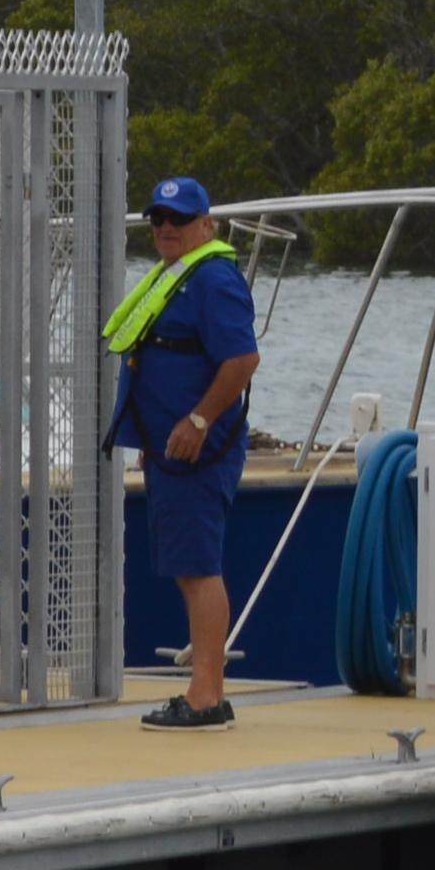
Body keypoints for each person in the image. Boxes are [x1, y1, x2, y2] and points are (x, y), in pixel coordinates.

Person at [102, 176, 262, 726]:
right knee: (187, 566)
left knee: (198, 566)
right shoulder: (178, 276)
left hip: (199, 450)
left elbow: (241, 361)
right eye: (159, 220)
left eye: (179, 219)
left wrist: (197, 422)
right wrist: (155, 435)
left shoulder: (214, 279)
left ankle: (206, 696)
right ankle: (206, 690)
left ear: (207, 225)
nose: (167, 229)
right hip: (170, 447)